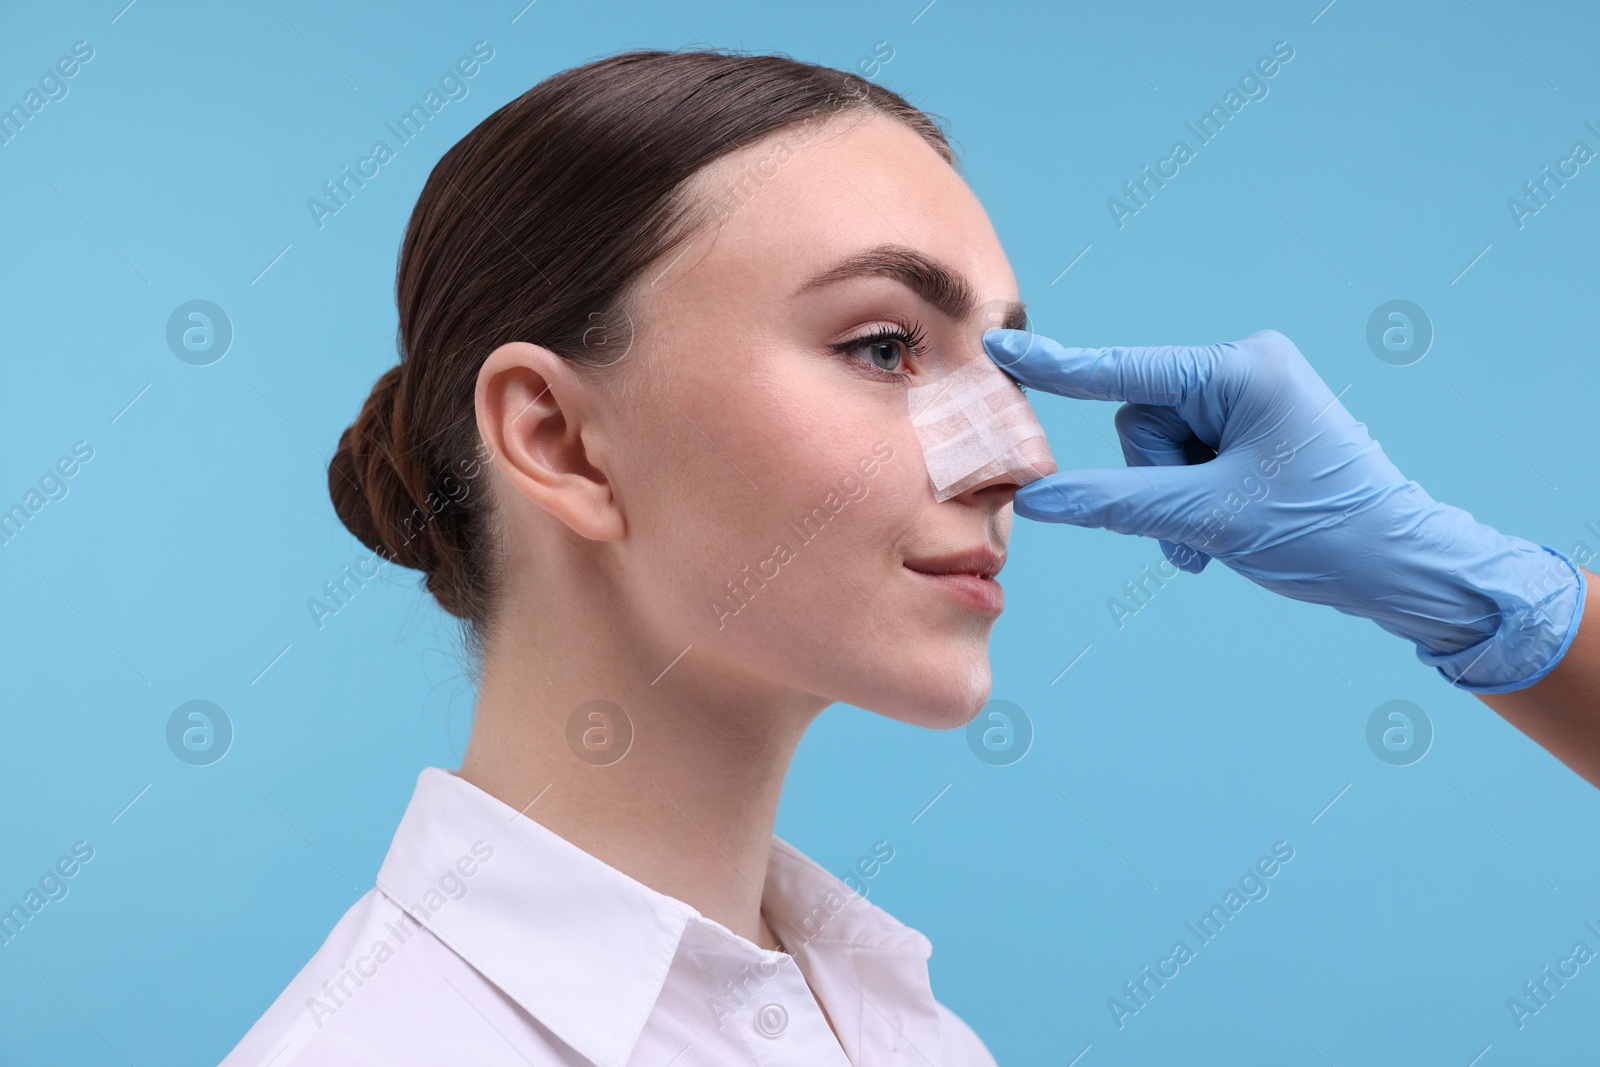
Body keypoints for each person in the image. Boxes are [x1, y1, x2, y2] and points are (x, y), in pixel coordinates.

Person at [222, 45, 1597, 1067]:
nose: (1016, 451)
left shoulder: (891, 1022)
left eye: (999, 360)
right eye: (886, 347)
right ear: (561, 442)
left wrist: (1496, 600)